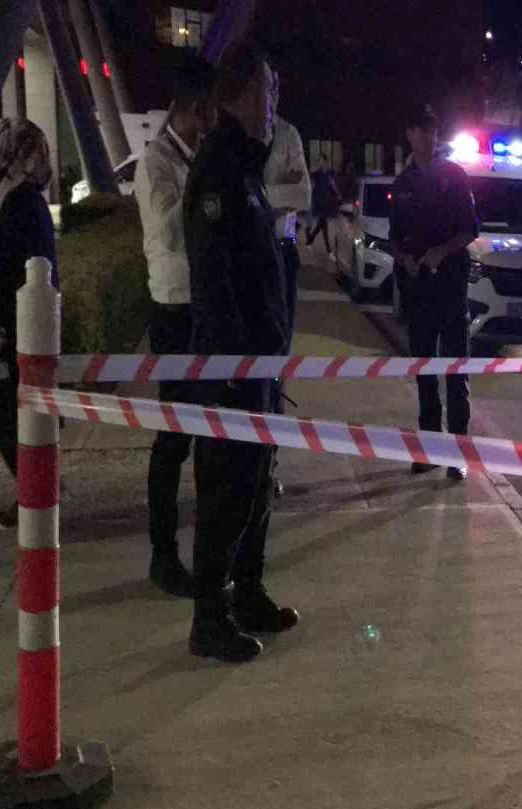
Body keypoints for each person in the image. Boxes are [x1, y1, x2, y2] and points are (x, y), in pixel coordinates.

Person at [183, 43, 297, 663]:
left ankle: (248, 593)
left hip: (260, 369)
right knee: (227, 490)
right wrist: (232, 369)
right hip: (233, 372)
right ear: (243, 94)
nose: (274, 103)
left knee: (256, 486)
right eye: (268, 91)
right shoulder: (219, 169)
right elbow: (214, 278)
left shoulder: (247, 168)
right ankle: (210, 617)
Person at [134, 59, 217, 597]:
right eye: (207, 111)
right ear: (189, 108)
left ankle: (205, 547)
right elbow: (167, 233)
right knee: (174, 434)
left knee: (205, 429)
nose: (212, 121)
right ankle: (162, 554)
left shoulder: (195, 158)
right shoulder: (156, 163)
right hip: (173, 311)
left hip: (202, 308)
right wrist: (205, 200)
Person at [387, 103, 479, 481]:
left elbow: (470, 229)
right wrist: (406, 259)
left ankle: (458, 452)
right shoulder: (402, 185)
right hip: (418, 291)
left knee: (455, 372)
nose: (429, 137)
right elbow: (393, 238)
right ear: (410, 134)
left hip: (451, 288)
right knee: (425, 373)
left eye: (433, 130)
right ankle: (428, 450)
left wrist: (441, 252)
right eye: (422, 130)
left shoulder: (454, 176)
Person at [0, 118, 57, 529]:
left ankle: (36, 493)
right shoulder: (18, 198)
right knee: (10, 409)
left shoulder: (21, 203)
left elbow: (15, 271)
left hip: (11, 331)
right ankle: (36, 490)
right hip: (14, 327)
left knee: (3, 406)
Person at [263, 65, 312, 499]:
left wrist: (259, 194)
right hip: (250, 255)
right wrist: (275, 192)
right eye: (265, 87)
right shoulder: (239, 138)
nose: (271, 95)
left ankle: (269, 461)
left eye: (276, 87)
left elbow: (303, 194)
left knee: (277, 361)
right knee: (249, 360)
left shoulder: (288, 135)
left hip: (282, 253)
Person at [305, 157, 340, 258]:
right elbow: (311, 187)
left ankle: (309, 242)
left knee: (321, 225)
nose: (321, 163)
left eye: (322, 161)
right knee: (324, 226)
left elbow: (333, 186)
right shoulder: (316, 175)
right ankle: (329, 251)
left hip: (326, 203)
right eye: (319, 161)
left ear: (326, 162)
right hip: (318, 204)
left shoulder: (329, 175)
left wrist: (338, 195)